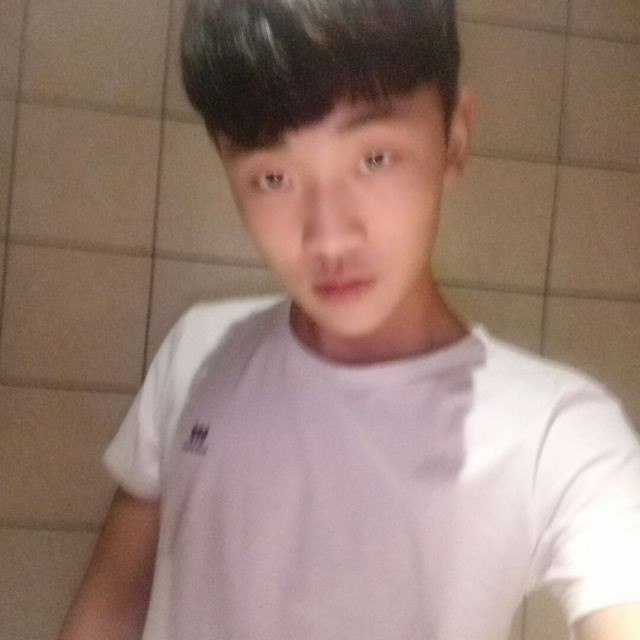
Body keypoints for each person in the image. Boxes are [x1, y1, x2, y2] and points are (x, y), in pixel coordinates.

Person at [58, 1, 640, 639]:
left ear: (455, 139)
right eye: (273, 177)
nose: (329, 237)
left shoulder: (559, 434)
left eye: (375, 158)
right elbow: (109, 608)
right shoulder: (199, 351)